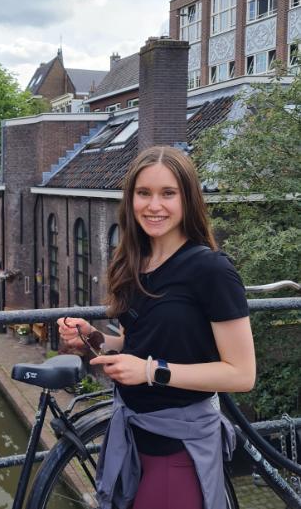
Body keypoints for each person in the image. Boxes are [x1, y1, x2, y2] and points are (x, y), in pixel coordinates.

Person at [57, 145, 255, 509]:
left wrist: (150, 371)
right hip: (134, 439)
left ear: (188, 199)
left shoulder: (211, 271)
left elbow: (241, 374)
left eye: (168, 193)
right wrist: (95, 340)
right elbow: (139, 343)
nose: (154, 206)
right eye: (143, 193)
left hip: (177, 449)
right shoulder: (135, 263)